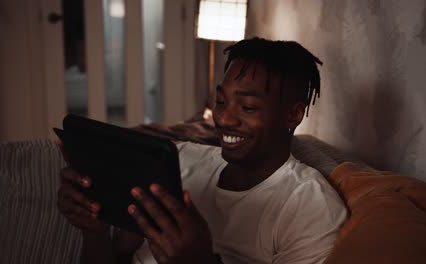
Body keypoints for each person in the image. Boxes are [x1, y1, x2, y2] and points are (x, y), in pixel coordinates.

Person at [57, 37, 347, 264]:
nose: (225, 119)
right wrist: (93, 230)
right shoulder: (179, 159)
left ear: (293, 115)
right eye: (220, 102)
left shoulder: (309, 207)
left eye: (247, 107)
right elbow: (119, 256)